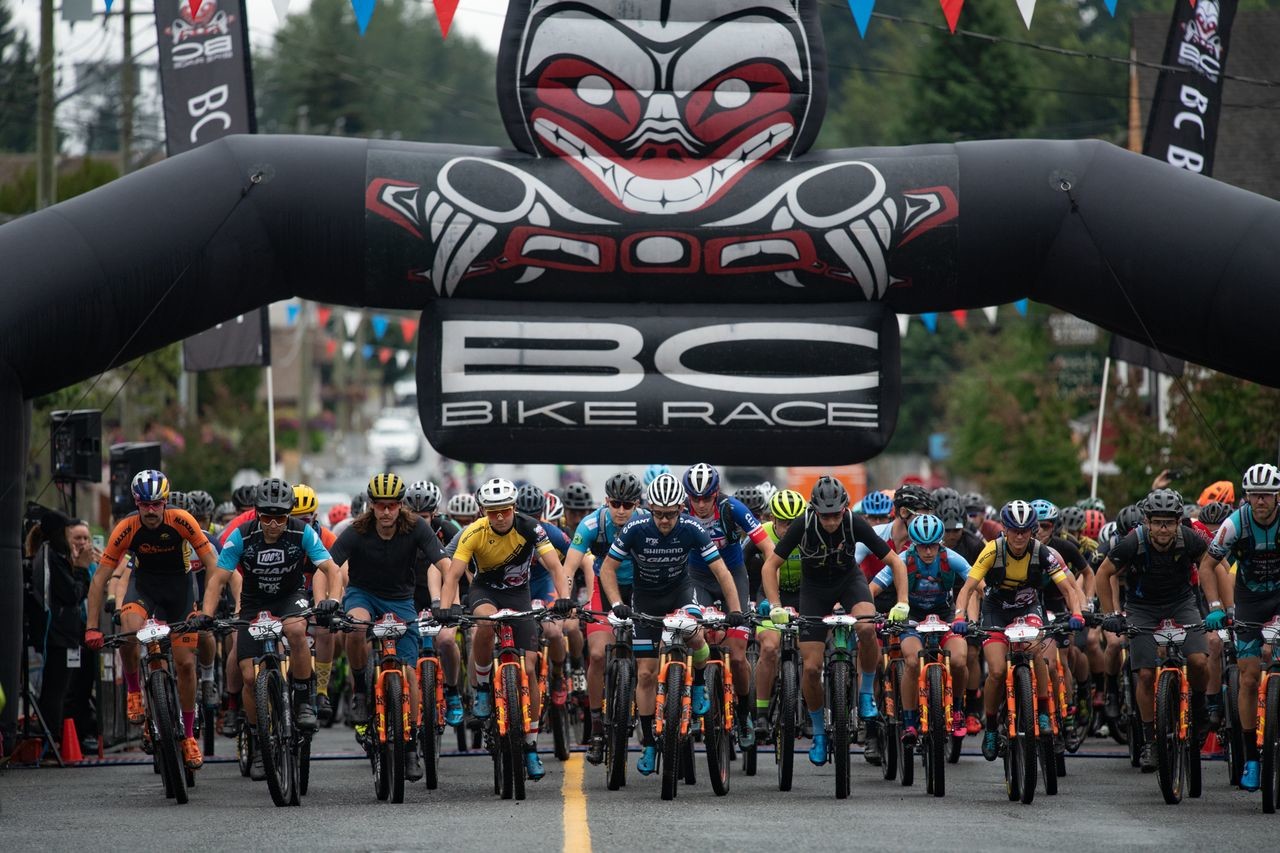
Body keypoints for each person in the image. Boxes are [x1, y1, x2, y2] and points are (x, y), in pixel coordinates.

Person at [596, 473, 743, 775]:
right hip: (645, 600)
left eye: (670, 514)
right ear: (650, 510)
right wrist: (616, 604)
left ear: (680, 509)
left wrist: (736, 610)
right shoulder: (635, 529)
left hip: (680, 593)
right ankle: (650, 742)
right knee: (647, 674)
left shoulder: (691, 529)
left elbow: (722, 572)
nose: (664, 521)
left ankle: (700, 685)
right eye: (658, 514)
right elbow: (607, 569)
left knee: (696, 635)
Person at [193, 478, 341, 780]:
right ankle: (260, 742)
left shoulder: (302, 532)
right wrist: (206, 615)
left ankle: (301, 700)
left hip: (290, 597)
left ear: (290, 514)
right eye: (267, 516)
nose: (274, 524)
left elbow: (331, 569)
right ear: (257, 514)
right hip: (253, 601)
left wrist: (333, 600)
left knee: (298, 631)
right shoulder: (241, 536)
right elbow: (217, 579)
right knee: (249, 676)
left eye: (280, 517)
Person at [761, 476, 910, 766]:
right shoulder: (803, 525)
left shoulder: (855, 523)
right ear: (815, 511)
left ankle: (866, 692)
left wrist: (902, 602)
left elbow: (896, 562)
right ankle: (818, 732)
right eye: (825, 515)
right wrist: (775, 606)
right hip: (814, 590)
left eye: (835, 514)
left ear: (844, 509)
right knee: (813, 666)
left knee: (867, 626)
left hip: (848, 582)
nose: (830, 521)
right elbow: (770, 566)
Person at [84, 470, 220, 770]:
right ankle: (134, 690)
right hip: (145, 587)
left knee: (185, 663)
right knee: (129, 629)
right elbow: (100, 579)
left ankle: (187, 736)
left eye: (156, 504)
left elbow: (213, 565)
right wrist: (92, 627)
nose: (150, 510)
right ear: (136, 503)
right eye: (144, 504)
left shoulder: (182, 520)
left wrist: (206, 611)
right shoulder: (127, 527)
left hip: (180, 591)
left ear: (165, 502)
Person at [439, 477, 573, 782]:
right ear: (484, 510)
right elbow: (454, 574)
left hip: (518, 594)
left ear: (514, 508)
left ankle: (531, 746)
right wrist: (447, 607)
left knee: (530, 669)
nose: (499, 516)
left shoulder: (530, 527)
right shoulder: (474, 532)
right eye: (493, 511)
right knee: (484, 624)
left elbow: (555, 565)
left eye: (505, 510)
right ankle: (484, 688)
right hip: (484, 591)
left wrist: (564, 599)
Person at [330, 473, 451, 782]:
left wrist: (449, 601)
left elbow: (444, 564)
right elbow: (328, 567)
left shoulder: (417, 527)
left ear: (400, 506)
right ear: (372, 506)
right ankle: (359, 689)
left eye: (392, 506)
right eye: (380, 506)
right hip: (363, 595)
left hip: (401, 600)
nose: (386, 512)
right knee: (355, 628)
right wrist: (328, 600)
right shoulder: (357, 529)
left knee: (410, 673)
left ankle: (410, 747)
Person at [954, 500, 1085, 762]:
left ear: (1033, 531)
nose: (1020, 536)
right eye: (1014, 530)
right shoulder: (992, 551)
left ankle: (1044, 712)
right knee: (998, 670)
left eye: (1026, 531)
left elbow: (1068, 588)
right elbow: (968, 588)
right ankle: (991, 728)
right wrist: (960, 617)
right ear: (1004, 529)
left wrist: (1077, 613)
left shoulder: (1042, 552)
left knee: (1038, 652)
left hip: (1028, 610)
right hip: (996, 611)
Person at [1096, 488, 1211, 773]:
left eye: (1169, 522)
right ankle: (1150, 741)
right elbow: (1103, 573)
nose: (1163, 528)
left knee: (1198, 660)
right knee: (1145, 674)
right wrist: (1112, 614)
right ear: (1146, 521)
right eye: (1157, 521)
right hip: (1142, 607)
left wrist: (1218, 606)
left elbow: (1211, 564)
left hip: (1182, 603)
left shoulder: (1190, 539)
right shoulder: (1132, 542)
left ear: (1178, 522)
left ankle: (1198, 705)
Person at [1199, 463, 1280, 792]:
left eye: (1267, 496)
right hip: (1249, 601)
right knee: (1247, 677)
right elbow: (1208, 564)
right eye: (1254, 496)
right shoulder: (1235, 524)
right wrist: (1217, 607)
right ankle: (1250, 758)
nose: (1260, 501)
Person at [682, 462, 774, 748]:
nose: (700, 504)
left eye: (706, 498)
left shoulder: (733, 509)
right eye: (694, 498)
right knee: (695, 638)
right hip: (698, 578)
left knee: (737, 655)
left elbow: (769, 549)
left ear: (716, 493)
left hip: (734, 576)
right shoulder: (681, 511)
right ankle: (696, 690)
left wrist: (771, 594)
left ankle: (745, 713)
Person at [869, 513, 972, 744]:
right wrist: (868, 613)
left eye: (933, 546)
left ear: (940, 543)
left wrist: (967, 616)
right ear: (914, 544)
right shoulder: (903, 559)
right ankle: (909, 721)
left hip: (945, 615)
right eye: (923, 547)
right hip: (912, 617)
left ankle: (957, 710)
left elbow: (977, 583)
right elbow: (873, 588)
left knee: (959, 659)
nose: (928, 552)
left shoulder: (951, 557)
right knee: (912, 661)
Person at [566, 472, 645, 765]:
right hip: (603, 588)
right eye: (616, 503)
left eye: (628, 505)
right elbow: (570, 565)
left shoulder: (647, 522)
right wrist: (565, 596)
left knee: (650, 656)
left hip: (641, 588)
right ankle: (597, 726)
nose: (621, 510)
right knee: (598, 655)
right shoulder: (592, 524)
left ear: (637, 504)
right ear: (606, 501)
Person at [744, 489, 806, 741]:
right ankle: (760, 713)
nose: (789, 528)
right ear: (772, 519)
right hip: (769, 596)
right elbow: (740, 566)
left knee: (810, 650)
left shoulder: (810, 535)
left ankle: (806, 706)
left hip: (803, 594)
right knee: (769, 648)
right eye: (783, 523)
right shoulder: (761, 535)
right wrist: (746, 601)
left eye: (795, 523)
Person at [31, 508, 92, 748]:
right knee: (56, 690)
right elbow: (72, 593)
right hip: (58, 634)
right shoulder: (52, 558)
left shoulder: (52, 555)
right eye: (70, 533)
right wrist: (81, 569)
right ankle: (52, 740)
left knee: (59, 687)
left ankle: (52, 738)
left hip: (63, 633)